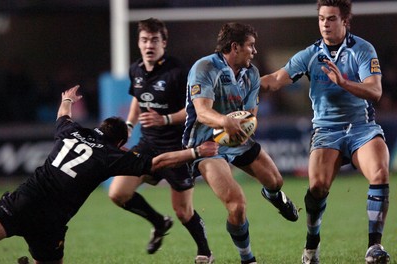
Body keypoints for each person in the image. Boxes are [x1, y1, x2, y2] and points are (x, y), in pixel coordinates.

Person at [0, 85, 218, 264]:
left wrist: (67, 99)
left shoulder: (71, 131)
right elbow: (158, 162)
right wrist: (196, 152)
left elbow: (63, 115)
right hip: (51, 223)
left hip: (24, 201)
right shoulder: (111, 156)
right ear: (121, 143)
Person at [260, 1, 390, 263]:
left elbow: (375, 91)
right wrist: (243, 84)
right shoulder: (310, 54)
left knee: (379, 173)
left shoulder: (362, 50)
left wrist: (344, 83)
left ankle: (374, 247)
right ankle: (311, 246)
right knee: (317, 186)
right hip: (326, 131)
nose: (325, 24)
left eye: (331, 19)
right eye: (321, 19)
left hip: (361, 128)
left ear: (345, 21)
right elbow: (275, 80)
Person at [183, 22, 299, 264]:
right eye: (251, 46)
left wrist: (244, 127)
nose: (254, 51)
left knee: (276, 181)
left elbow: (249, 114)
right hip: (207, 145)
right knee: (237, 206)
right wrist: (225, 121)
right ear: (234, 47)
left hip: (235, 139)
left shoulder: (252, 73)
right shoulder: (204, 67)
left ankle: (273, 196)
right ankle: (247, 258)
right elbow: (202, 112)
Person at [107, 18, 214, 263]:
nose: (149, 45)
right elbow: (137, 100)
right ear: (138, 43)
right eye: (144, 40)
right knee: (117, 193)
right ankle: (158, 222)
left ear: (163, 43)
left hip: (177, 148)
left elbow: (194, 110)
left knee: (183, 212)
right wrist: (129, 127)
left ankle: (205, 252)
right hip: (147, 145)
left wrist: (164, 120)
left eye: (154, 40)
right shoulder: (136, 69)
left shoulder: (178, 72)